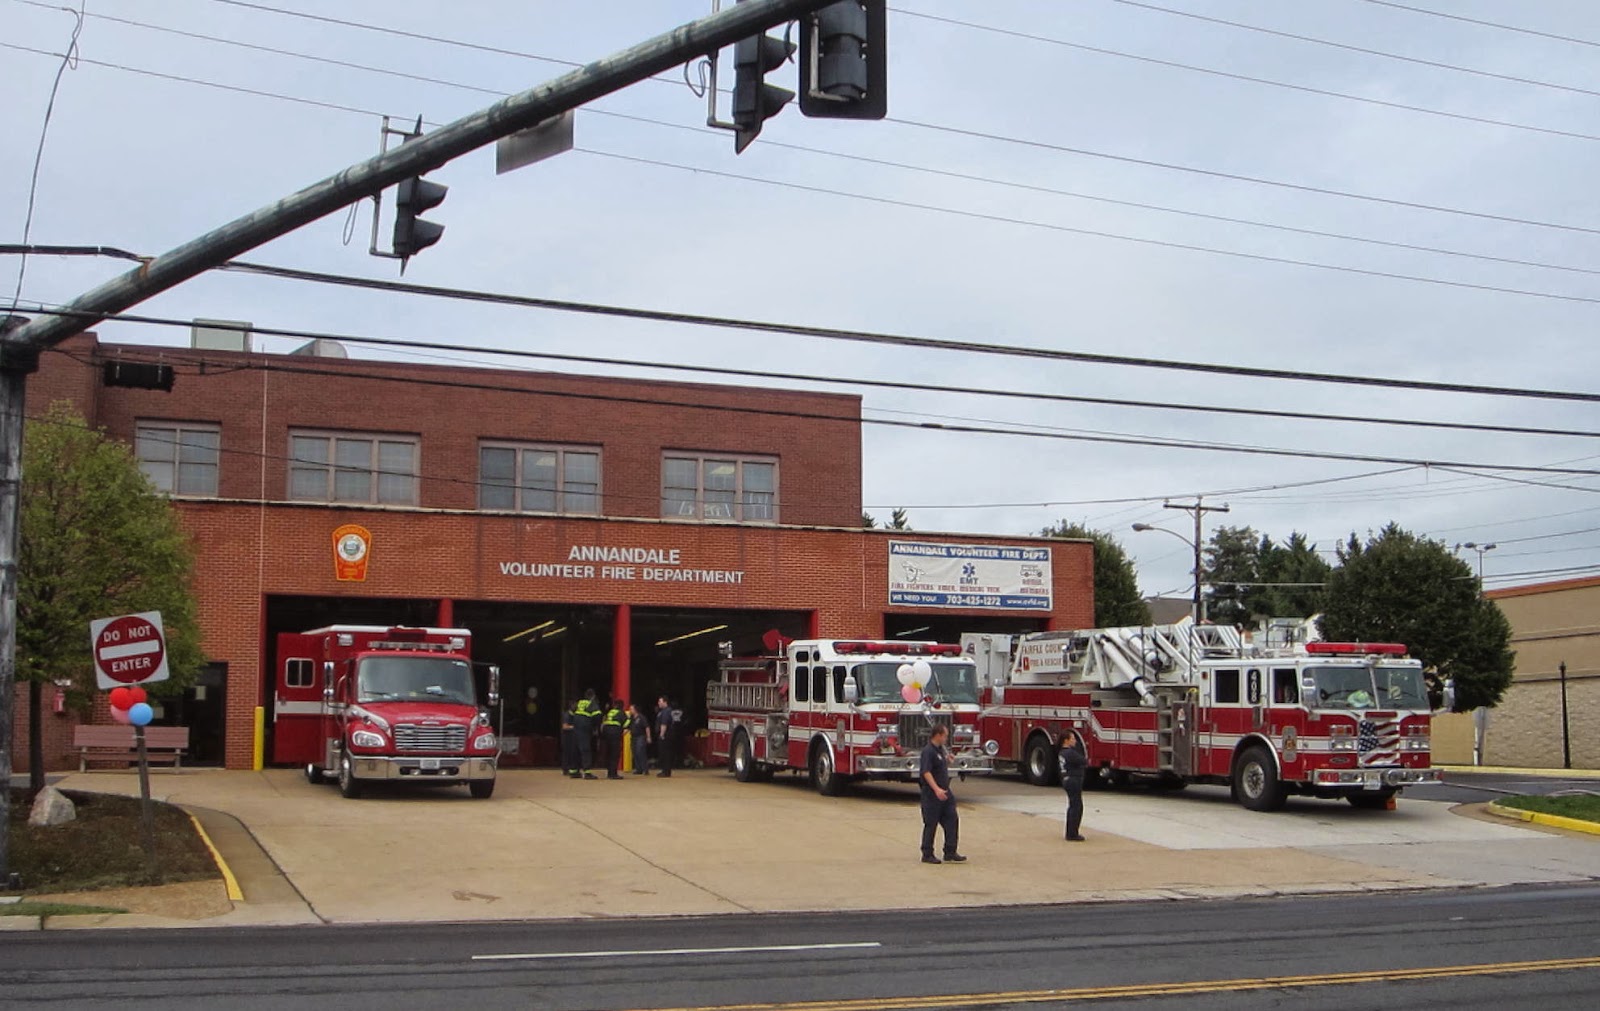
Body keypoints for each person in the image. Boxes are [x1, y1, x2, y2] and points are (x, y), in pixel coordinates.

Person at [918, 723, 964, 864]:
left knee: (952, 819)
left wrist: (947, 762)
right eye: (945, 736)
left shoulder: (940, 751)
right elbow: (926, 772)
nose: (946, 739)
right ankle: (927, 853)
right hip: (932, 793)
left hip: (945, 791)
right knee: (931, 823)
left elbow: (939, 766)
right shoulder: (928, 751)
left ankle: (950, 851)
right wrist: (936, 789)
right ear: (938, 735)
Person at [1058, 729, 1088, 842]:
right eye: (1073, 739)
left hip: (1067, 779)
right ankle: (1072, 833)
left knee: (1073, 805)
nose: (1075, 741)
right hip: (1073, 780)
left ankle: (1071, 831)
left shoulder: (1062, 753)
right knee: (1076, 806)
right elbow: (1083, 761)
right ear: (1066, 741)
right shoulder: (1070, 753)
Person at [572, 689, 601, 779]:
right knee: (586, 750)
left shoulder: (579, 703)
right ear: (593, 696)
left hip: (576, 728)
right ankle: (587, 772)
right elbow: (597, 716)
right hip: (585, 729)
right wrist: (595, 727)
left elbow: (572, 712)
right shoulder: (592, 703)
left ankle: (574, 771)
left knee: (576, 749)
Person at [600, 697, 627, 779]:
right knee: (615, 754)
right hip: (615, 734)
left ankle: (609, 772)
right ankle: (613, 774)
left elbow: (603, 723)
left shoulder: (609, 712)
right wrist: (622, 730)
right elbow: (627, 723)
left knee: (609, 753)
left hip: (606, 733)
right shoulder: (621, 713)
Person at [655, 696, 677, 777]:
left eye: (660, 701)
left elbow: (664, 724)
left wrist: (662, 735)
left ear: (665, 702)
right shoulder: (664, 711)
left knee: (665, 753)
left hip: (666, 735)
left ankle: (666, 771)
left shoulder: (666, 711)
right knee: (664, 753)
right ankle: (664, 770)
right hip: (666, 734)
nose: (658, 703)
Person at [628, 702, 652, 775]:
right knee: (634, 752)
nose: (630, 710)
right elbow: (628, 727)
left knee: (640, 751)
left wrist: (648, 737)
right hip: (633, 737)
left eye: (631, 709)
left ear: (635, 710)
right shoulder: (631, 718)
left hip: (640, 736)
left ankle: (645, 769)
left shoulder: (641, 717)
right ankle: (638, 769)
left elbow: (647, 727)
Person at [560, 702, 579, 778]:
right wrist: (574, 727)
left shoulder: (574, 715)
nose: (576, 706)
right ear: (570, 706)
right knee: (567, 753)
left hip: (572, 738)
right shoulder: (567, 715)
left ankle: (570, 768)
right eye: (574, 705)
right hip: (567, 738)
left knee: (572, 753)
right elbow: (564, 726)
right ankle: (565, 769)